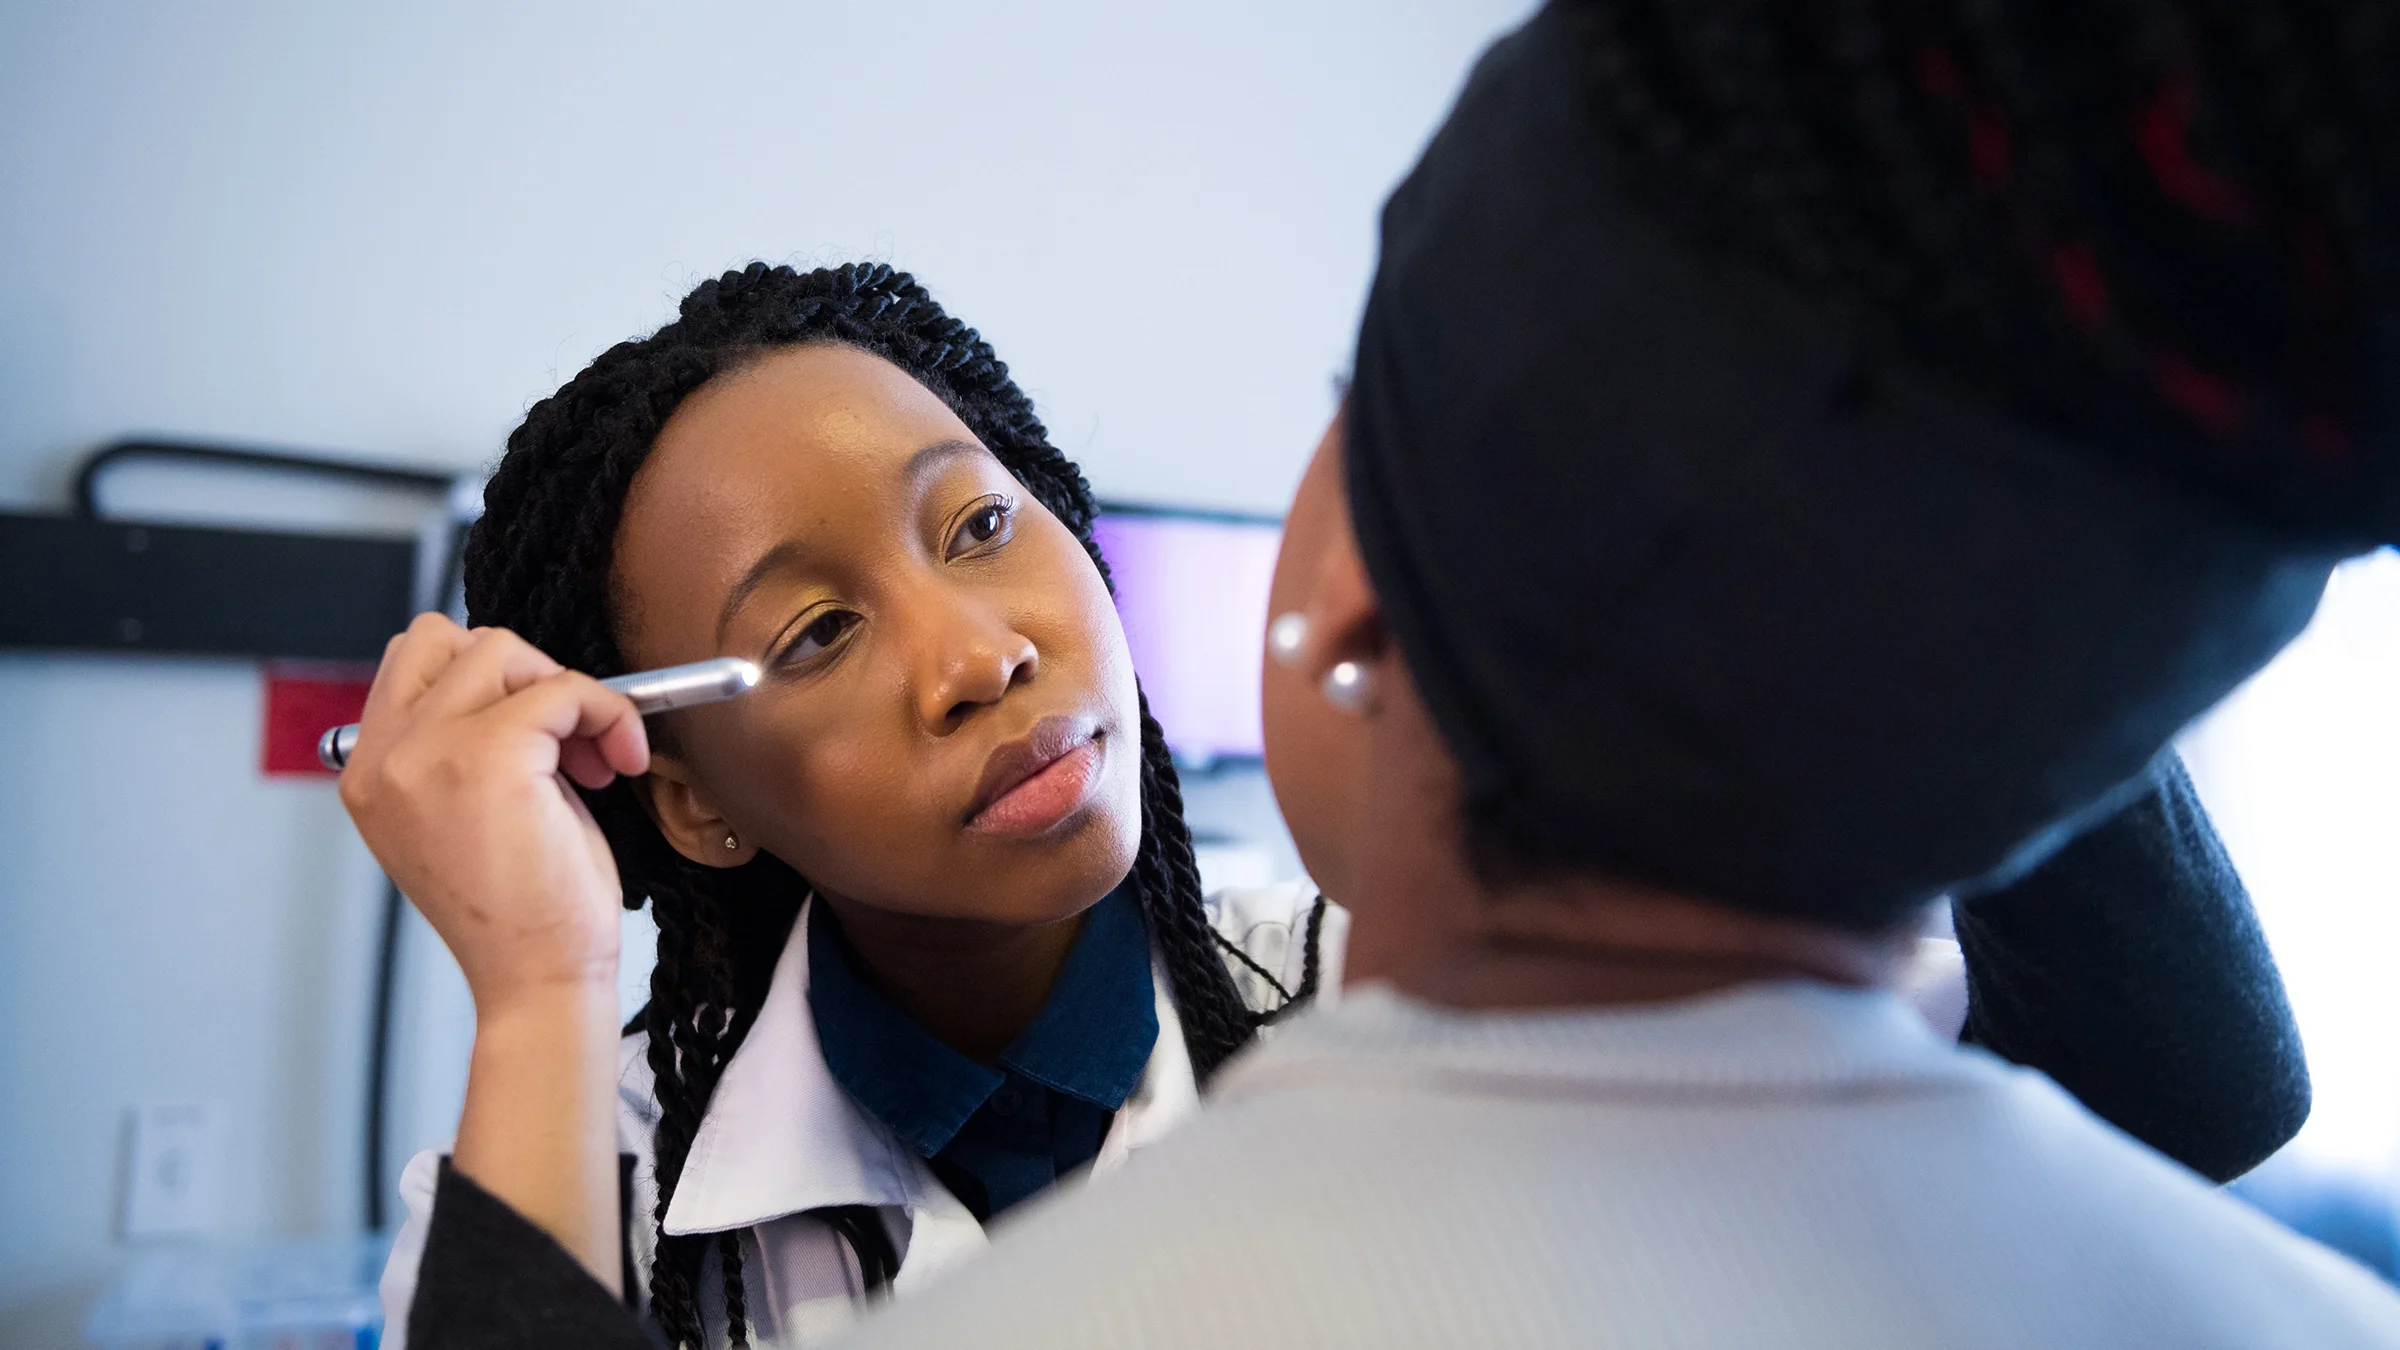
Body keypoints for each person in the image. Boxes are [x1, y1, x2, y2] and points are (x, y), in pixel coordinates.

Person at [354, 190, 2320, 1350]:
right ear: (685, 793)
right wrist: (533, 987)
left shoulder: (1414, 993)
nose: (983, 653)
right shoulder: (578, 1149)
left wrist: (1951, 524)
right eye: (812, 634)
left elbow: (2194, 1099)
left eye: (979, 527)